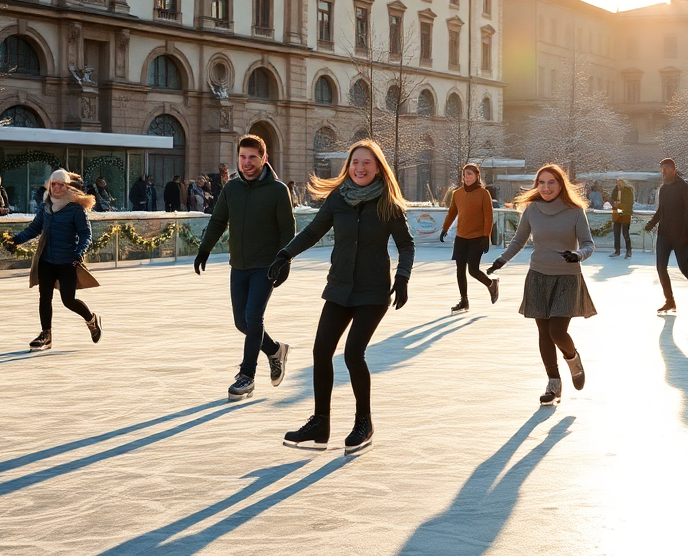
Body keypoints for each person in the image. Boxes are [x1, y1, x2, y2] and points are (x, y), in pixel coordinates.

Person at [270, 140, 414, 455]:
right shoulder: (338, 199)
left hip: (373, 292)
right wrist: (284, 255)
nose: (360, 168)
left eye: (367, 163)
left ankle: (364, 422)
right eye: (355, 163)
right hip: (339, 287)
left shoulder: (388, 203)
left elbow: (406, 244)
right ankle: (321, 424)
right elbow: (311, 232)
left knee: (352, 354)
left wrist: (402, 277)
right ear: (348, 167)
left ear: (378, 168)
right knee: (321, 352)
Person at [194, 135, 295, 400]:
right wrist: (204, 249)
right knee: (242, 322)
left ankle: (246, 375)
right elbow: (217, 221)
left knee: (253, 319)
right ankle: (275, 350)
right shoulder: (232, 189)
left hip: (266, 267)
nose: (247, 162)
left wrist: (284, 260)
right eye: (242, 157)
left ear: (264, 158)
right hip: (238, 265)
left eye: (252, 157)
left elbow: (288, 230)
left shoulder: (277, 190)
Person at [487, 163, 595, 406]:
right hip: (538, 276)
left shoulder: (575, 211)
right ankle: (553, 382)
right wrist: (501, 260)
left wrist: (578, 254)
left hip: (567, 277)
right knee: (544, 333)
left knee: (557, 331)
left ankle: (572, 358)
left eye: (551, 183)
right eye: (542, 183)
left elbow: (588, 243)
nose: (546, 188)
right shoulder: (532, 210)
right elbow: (519, 240)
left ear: (560, 185)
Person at [5, 170, 102, 352]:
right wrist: (15, 240)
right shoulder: (46, 206)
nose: (57, 188)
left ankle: (91, 319)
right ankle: (46, 335)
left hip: (67, 260)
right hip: (46, 259)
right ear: (49, 185)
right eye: (54, 184)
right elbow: (34, 228)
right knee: (44, 297)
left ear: (66, 186)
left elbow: (85, 234)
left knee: (68, 300)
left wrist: (79, 252)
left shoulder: (75, 208)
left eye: (61, 185)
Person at [643, 158, 688, 314]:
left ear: (674, 169)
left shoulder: (685, 189)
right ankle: (669, 301)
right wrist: (652, 223)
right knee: (661, 268)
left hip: (679, 236)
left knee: (685, 268)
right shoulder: (663, 188)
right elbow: (661, 211)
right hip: (663, 235)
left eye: (666, 169)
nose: (663, 172)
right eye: (662, 169)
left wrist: (684, 235)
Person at [440, 163, 498, 314]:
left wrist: (486, 236)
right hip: (461, 237)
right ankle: (464, 301)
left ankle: (491, 284)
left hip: (477, 237)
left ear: (477, 176)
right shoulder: (457, 193)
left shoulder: (483, 194)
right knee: (460, 270)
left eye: (470, 174)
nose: (467, 178)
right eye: (465, 175)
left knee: (472, 270)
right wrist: (445, 228)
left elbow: (488, 216)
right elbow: (452, 212)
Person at [608, 177, 634, 258]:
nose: (618, 184)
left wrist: (620, 206)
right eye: (617, 182)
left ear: (623, 182)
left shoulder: (628, 190)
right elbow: (612, 198)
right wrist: (613, 203)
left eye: (620, 182)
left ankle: (628, 251)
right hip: (617, 213)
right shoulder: (616, 189)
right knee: (616, 233)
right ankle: (617, 251)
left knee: (625, 233)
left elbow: (630, 203)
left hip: (625, 213)